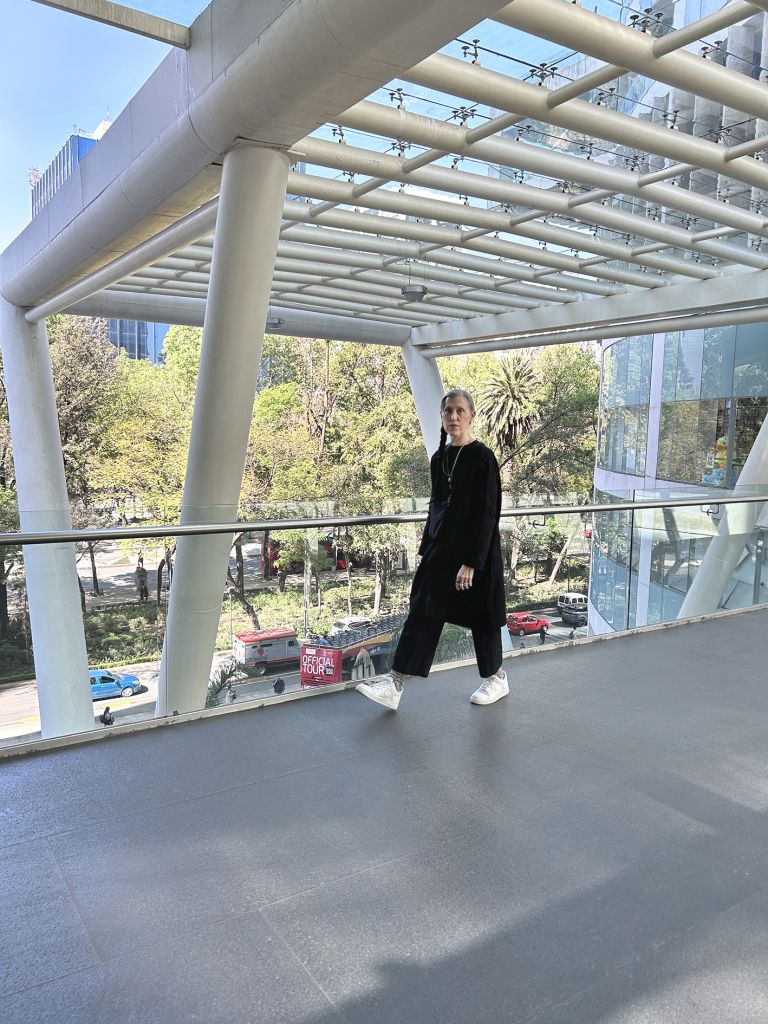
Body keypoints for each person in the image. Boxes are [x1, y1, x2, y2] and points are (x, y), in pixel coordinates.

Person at [356, 388, 508, 711]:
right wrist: (427, 549)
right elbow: (437, 507)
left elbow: (488, 514)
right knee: (423, 609)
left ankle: (496, 677)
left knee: (482, 616)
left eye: (459, 411)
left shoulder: (483, 458)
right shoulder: (439, 459)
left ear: (471, 416)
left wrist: (472, 562)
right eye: (448, 411)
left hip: (475, 555)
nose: (453, 417)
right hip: (442, 551)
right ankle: (395, 683)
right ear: (442, 417)